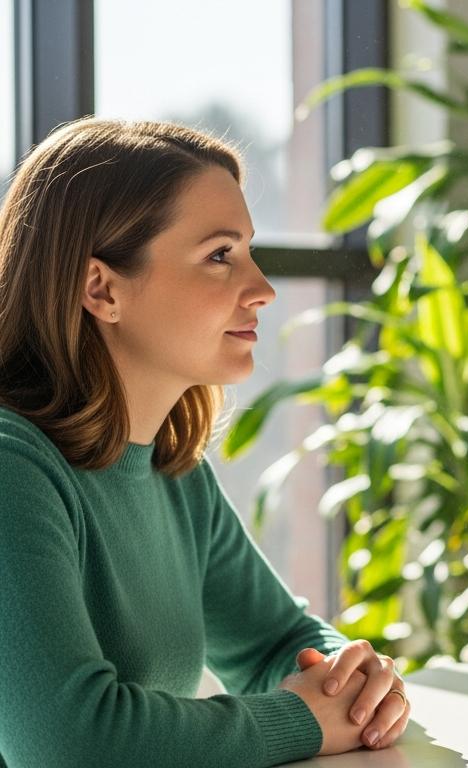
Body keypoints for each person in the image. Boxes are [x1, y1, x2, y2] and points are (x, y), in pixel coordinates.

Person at [0, 118, 413, 766]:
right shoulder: (10, 468)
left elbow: (277, 641)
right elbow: (71, 744)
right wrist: (303, 718)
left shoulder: (173, 474)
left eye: (248, 250)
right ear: (101, 288)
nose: (263, 290)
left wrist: (352, 683)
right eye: (221, 255)